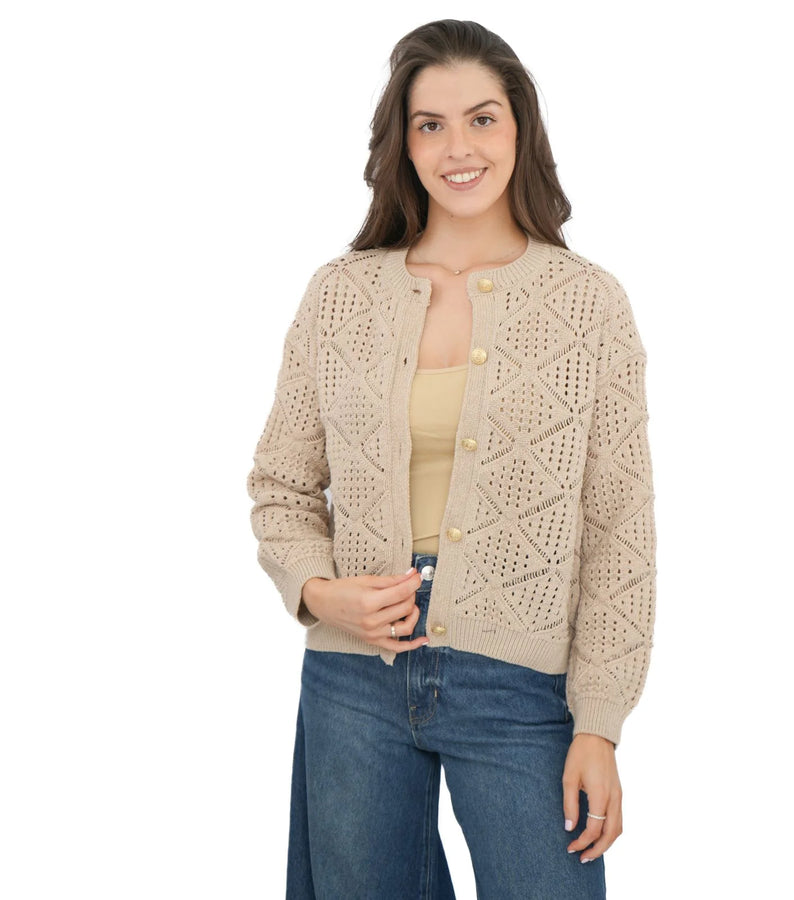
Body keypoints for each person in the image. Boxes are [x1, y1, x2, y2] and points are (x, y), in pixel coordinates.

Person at [246, 18, 656, 900]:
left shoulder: (588, 304)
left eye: (482, 119)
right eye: (430, 125)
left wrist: (600, 724)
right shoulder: (341, 294)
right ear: (403, 143)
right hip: (354, 675)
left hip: (521, 681)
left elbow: (620, 528)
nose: (457, 148)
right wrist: (321, 592)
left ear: (521, 129)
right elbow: (281, 485)